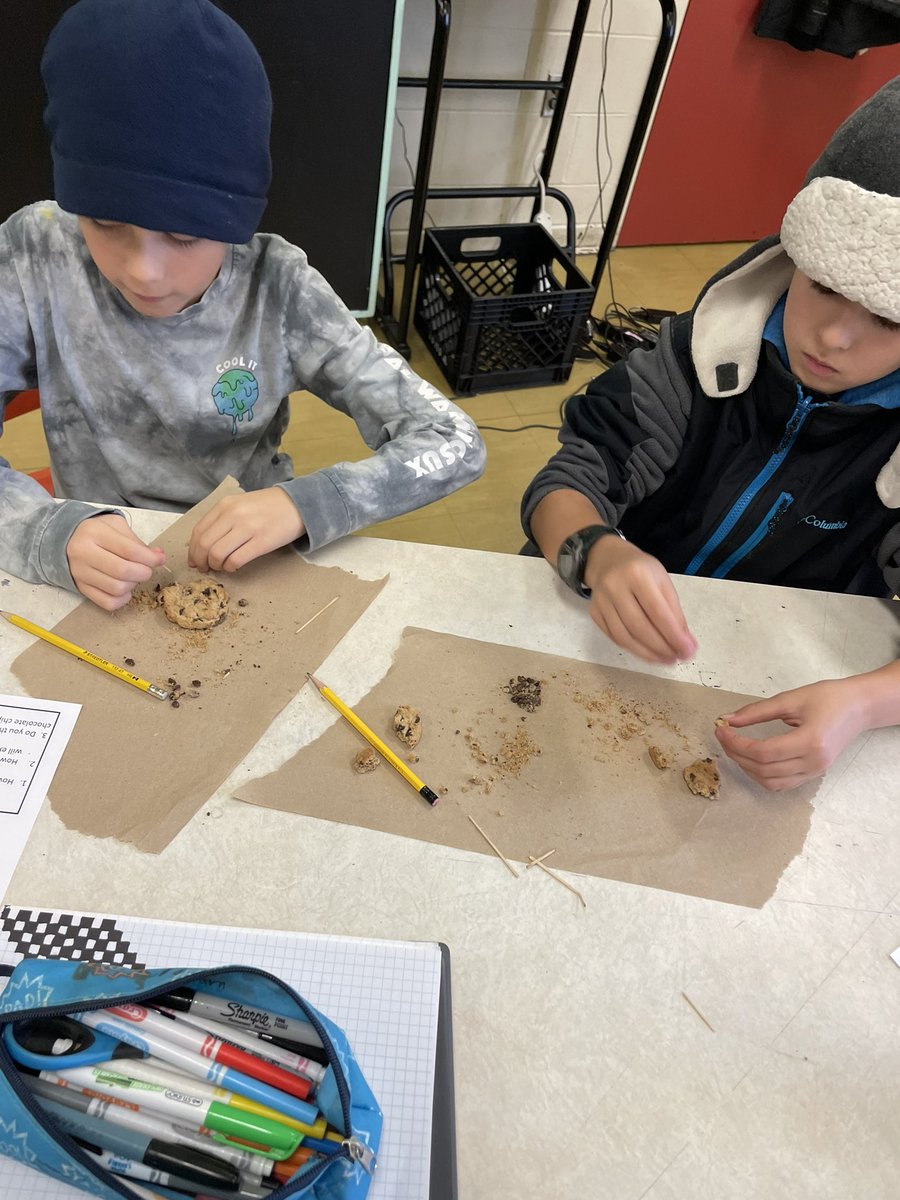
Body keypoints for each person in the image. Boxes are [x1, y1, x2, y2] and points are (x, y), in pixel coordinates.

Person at [0, 0, 484, 612]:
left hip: (250, 564)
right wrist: (43, 532)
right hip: (95, 566)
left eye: (185, 236)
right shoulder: (33, 255)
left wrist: (305, 504)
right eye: (104, 222)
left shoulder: (280, 291)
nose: (143, 271)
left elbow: (455, 438)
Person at [521, 75, 900, 793]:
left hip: (767, 686)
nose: (834, 338)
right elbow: (568, 481)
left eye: (888, 320)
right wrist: (596, 552)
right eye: (821, 285)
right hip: (593, 635)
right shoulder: (696, 357)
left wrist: (863, 703)